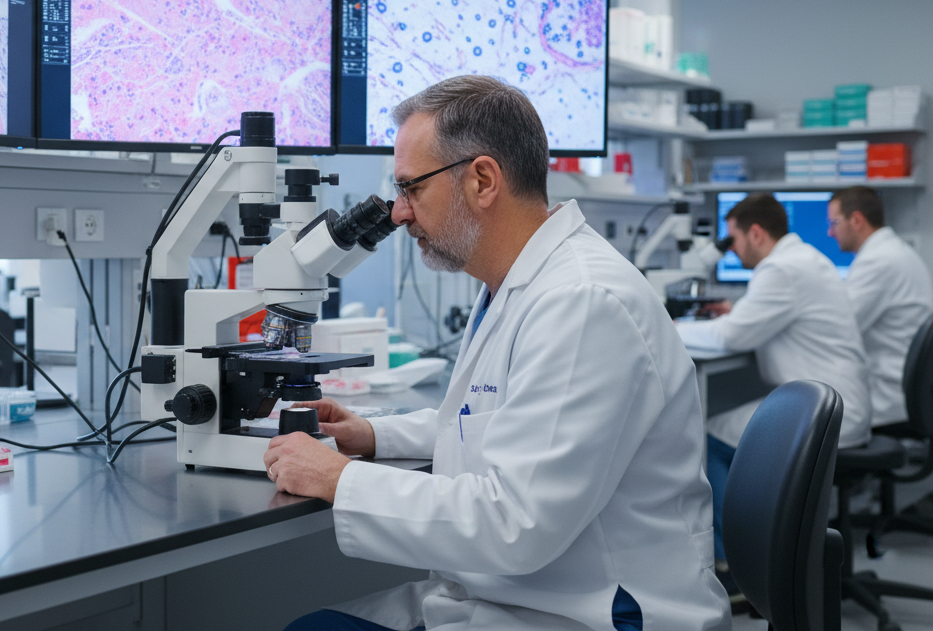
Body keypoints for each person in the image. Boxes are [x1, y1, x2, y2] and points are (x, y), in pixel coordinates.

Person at [268, 75, 730, 631]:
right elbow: (498, 423)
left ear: (483, 180)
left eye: (412, 187)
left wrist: (339, 479)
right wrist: (376, 434)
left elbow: (516, 522)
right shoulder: (518, 285)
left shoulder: (581, 301)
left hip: (595, 613)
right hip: (527, 594)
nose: (399, 213)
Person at [676, 192, 871, 573]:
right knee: (731, 425)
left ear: (756, 233)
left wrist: (670, 327)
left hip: (824, 415)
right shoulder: (807, 259)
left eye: (732, 240)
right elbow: (762, 319)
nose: (731, 251)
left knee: (708, 435)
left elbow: (731, 338)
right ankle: (757, 548)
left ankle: (729, 564)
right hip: (841, 404)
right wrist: (739, 313)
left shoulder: (779, 270)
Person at [829, 186, 933, 430]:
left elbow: (840, 327)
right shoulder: (893, 251)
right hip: (906, 392)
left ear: (856, 220)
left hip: (888, 399)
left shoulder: (878, 261)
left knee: (793, 423)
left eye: (835, 222)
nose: (830, 231)